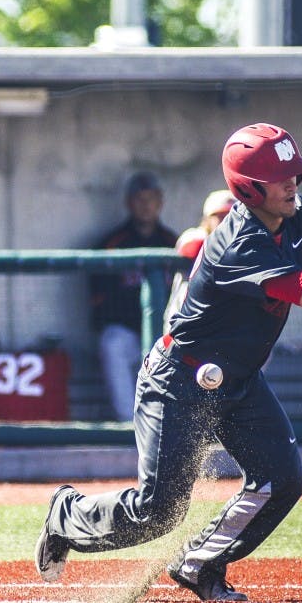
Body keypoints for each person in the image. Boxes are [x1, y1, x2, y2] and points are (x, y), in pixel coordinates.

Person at [35, 122, 302, 602]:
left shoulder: (296, 213)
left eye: (293, 171)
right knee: (158, 512)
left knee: (283, 480)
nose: (293, 181)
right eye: (280, 175)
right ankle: (66, 514)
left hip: (239, 379)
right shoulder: (241, 241)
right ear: (250, 186)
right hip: (179, 379)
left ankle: (200, 563)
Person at [88, 171, 178, 421]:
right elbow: (99, 303)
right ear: (129, 203)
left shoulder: (174, 243)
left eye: (151, 199)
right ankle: (129, 424)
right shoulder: (112, 244)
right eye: (140, 199)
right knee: (111, 342)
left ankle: (172, 425)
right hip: (128, 334)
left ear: (160, 202)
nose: (146, 205)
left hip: (165, 337)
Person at [162, 189, 238, 334]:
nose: (226, 221)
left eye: (231, 216)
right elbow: (190, 249)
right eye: (220, 216)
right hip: (185, 323)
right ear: (207, 219)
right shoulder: (194, 236)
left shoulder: (245, 244)